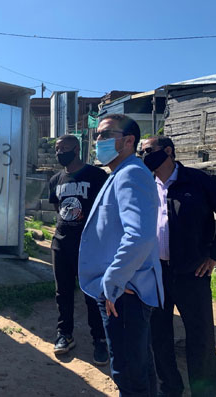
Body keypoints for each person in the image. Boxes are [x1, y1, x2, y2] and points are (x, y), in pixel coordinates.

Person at [140, 136, 216, 396]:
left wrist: (214, 255)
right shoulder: (145, 185)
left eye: (149, 151)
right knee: (158, 337)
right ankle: (170, 387)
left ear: (168, 151)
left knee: (201, 338)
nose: (144, 156)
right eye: (141, 152)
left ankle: (204, 392)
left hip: (192, 273)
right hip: (155, 274)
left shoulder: (197, 181)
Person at [78, 114, 163, 396]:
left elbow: (139, 235)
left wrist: (112, 283)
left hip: (124, 293)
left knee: (127, 372)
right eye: (97, 135)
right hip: (125, 291)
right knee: (139, 367)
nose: (97, 141)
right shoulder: (120, 173)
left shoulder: (131, 173)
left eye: (104, 135)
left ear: (128, 141)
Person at [48, 134, 109, 365]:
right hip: (61, 244)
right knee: (62, 293)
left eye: (63, 148)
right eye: (56, 149)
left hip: (90, 246)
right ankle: (64, 334)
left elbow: (105, 207)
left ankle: (100, 340)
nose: (59, 152)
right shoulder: (55, 179)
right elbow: (58, 208)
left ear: (76, 150)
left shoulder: (96, 175)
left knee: (92, 294)